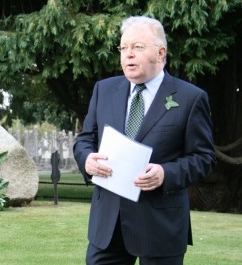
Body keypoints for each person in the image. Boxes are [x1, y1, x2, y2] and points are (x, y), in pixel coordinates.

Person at [73, 16, 216, 265]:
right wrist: (86, 160)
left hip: (161, 226)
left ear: (161, 53)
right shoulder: (103, 90)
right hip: (108, 225)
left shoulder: (191, 98)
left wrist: (165, 173)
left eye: (138, 47)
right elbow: (86, 139)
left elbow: (204, 157)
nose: (128, 55)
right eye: (123, 47)